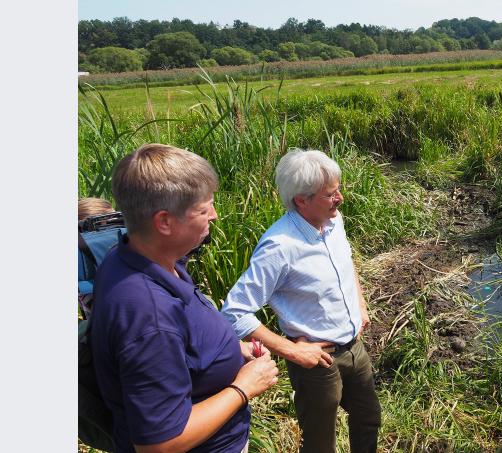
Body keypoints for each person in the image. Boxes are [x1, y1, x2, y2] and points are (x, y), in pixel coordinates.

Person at [91, 143, 280, 453]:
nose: (215, 216)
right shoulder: (149, 317)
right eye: (204, 209)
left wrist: (231, 349)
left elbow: (181, 344)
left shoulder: (135, 257)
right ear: (164, 222)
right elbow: (159, 444)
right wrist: (244, 387)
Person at [221, 149, 381, 453]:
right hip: (318, 363)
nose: (341, 199)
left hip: (354, 348)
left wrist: (359, 303)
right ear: (301, 201)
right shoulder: (279, 247)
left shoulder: (333, 222)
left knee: (369, 417)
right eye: (330, 194)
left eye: (338, 190)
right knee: (320, 443)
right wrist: (292, 350)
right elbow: (234, 312)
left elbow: (346, 263)